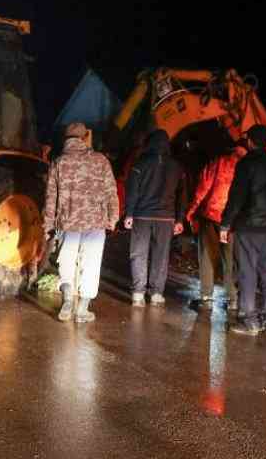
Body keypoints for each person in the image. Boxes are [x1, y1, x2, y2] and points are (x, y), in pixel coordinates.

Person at [220, 125, 266, 336]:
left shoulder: (247, 164)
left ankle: (249, 320)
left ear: (250, 141)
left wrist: (226, 223)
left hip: (249, 226)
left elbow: (236, 198)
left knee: (247, 272)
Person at [43, 122, 119, 323]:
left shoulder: (59, 162)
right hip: (96, 222)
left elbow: (51, 198)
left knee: (67, 259)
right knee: (91, 263)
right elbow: (112, 192)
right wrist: (112, 218)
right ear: (84, 138)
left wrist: (47, 226)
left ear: (66, 139)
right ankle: (83, 310)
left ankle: (67, 302)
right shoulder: (101, 160)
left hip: (68, 222)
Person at [123, 129, 185, 306]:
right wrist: (179, 219)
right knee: (161, 255)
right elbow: (182, 195)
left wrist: (129, 214)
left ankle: (138, 294)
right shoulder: (177, 166)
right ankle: (157, 293)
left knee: (138, 254)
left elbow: (132, 191)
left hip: (142, 216)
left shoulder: (140, 163)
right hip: (166, 218)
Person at [185, 142, 247, 314]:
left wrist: (191, 211)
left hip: (212, 215)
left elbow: (203, 188)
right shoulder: (249, 167)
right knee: (231, 261)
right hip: (235, 221)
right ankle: (233, 299)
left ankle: (206, 298)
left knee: (207, 256)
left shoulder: (219, 162)